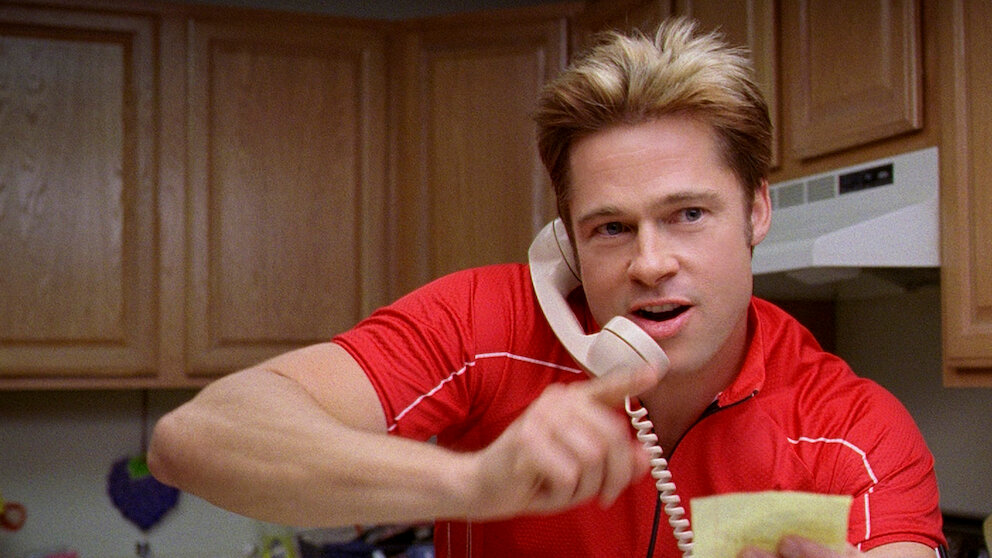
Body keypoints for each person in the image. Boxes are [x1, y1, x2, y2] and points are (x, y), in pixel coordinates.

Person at [148, 18, 945, 558]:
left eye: (689, 214)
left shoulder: (857, 432)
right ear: (567, 239)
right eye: (612, 228)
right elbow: (195, 440)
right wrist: (472, 483)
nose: (651, 262)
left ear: (758, 210)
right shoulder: (483, 326)